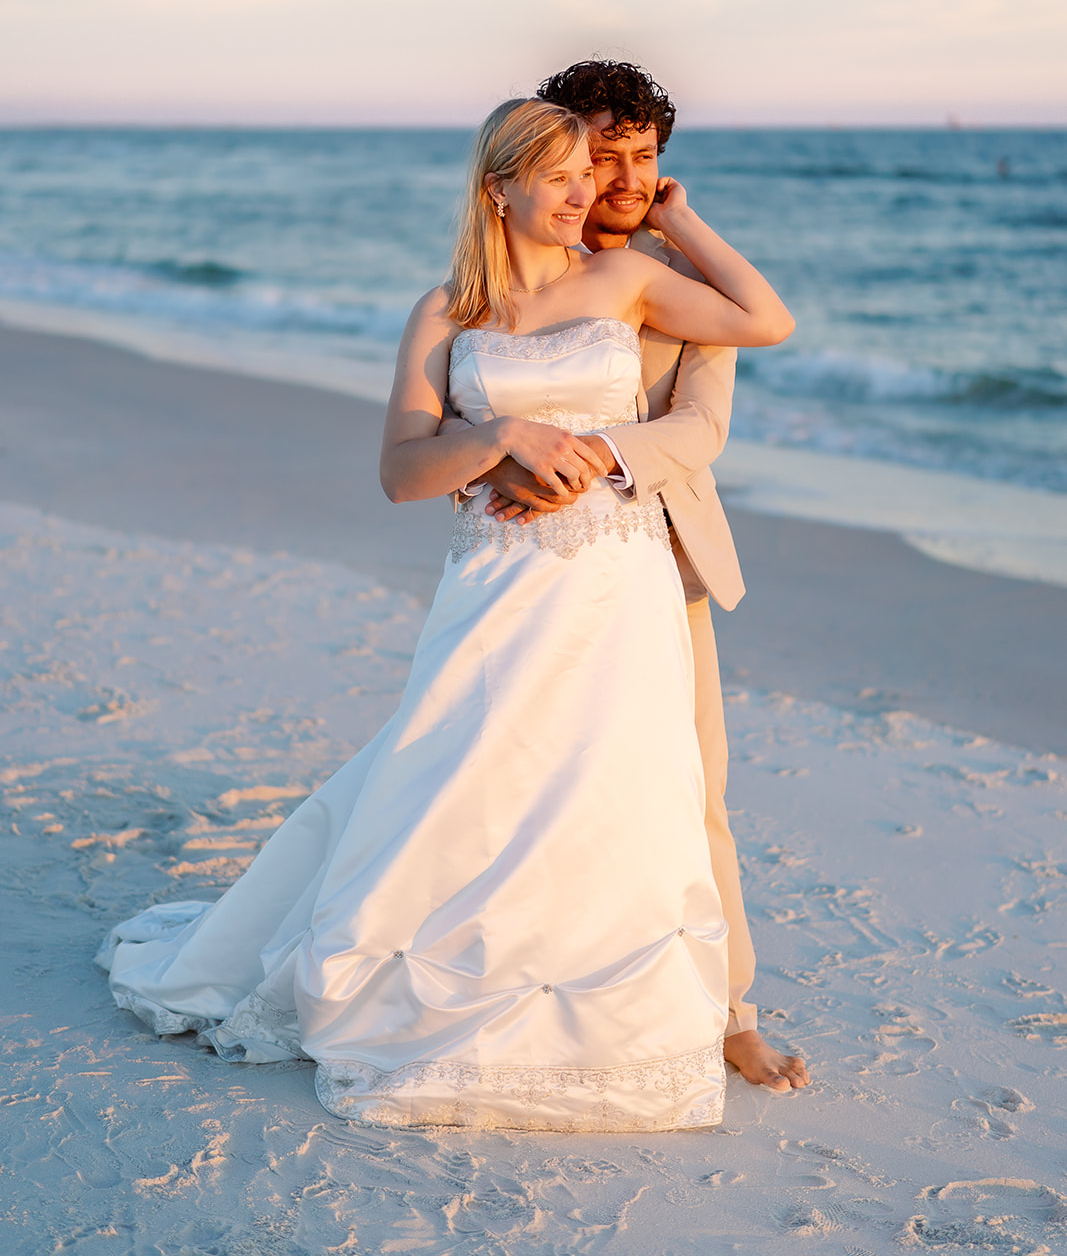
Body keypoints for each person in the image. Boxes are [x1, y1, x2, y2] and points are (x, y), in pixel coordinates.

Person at [97, 97, 795, 1131]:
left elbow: (762, 323)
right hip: (496, 584)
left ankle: (693, 1007)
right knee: (465, 776)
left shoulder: (635, 279)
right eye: (561, 174)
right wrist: (499, 432)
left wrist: (678, 217)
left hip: (620, 580)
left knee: (622, 792)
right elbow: (399, 472)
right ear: (496, 187)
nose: (587, 192)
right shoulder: (442, 313)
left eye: (594, 172)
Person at [459, 60, 809, 1094]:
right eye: (598, 152)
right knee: (518, 782)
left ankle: (730, 1009)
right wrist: (498, 450)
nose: (615, 175)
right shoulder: (520, 265)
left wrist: (682, 222)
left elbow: (699, 427)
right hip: (534, 574)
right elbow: (466, 382)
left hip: (656, 562)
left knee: (691, 790)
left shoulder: (674, 274)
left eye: (640, 156)